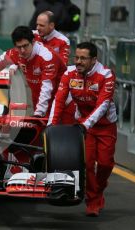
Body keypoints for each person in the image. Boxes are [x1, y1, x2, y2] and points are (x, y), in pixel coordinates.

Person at [48, 42, 117, 217]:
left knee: (105, 164)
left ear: (94, 59)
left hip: (105, 126)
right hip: (83, 126)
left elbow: (103, 104)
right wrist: (51, 125)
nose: (78, 61)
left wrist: (86, 124)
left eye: (83, 58)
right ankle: (93, 201)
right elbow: (59, 99)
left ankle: (98, 190)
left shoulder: (106, 75)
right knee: (86, 164)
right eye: (76, 57)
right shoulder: (69, 73)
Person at [0, 26, 66, 118]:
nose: (22, 51)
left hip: (61, 101)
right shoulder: (16, 53)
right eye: (19, 47)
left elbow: (47, 88)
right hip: (39, 99)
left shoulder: (47, 57)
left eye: (25, 46)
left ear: (33, 42)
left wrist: (38, 114)